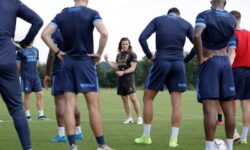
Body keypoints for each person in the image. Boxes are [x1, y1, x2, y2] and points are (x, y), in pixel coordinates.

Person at [41, 0, 113, 149]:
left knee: (69, 105)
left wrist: (57, 52)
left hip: (67, 62)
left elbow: (44, 35)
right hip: (85, 62)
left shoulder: (61, 15)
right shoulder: (92, 13)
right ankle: (101, 145)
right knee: (93, 106)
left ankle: (72, 146)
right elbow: (104, 33)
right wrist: (99, 54)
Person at [134, 7, 194, 148]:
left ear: (168, 14)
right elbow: (198, 44)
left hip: (161, 62)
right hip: (178, 63)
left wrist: (149, 55)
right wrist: (185, 60)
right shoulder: (185, 23)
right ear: (178, 15)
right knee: (177, 103)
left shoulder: (158, 19)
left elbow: (142, 38)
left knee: (148, 98)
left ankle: (146, 137)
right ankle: (173, 140)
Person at [0, 0, 43, 149]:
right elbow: (38, 21)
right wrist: (24, 43)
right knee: (17, 109)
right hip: (6, 59)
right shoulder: (13, 2)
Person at [193, 0, 236, 150]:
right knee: (229, 109)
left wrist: (200, 58)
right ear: (225, 2)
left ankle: (209, 148)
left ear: (211, 1)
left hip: (210, 63)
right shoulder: (231, 18)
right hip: (225, 63)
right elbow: (230, 45)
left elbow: (197, 35)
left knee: (209, 107)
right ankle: (230, 147)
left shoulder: (204, 15)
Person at [43, 29, 83, 142]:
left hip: (60, 69)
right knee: (73, 101)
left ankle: (61, 134)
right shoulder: (76, 32)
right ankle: (78, 132)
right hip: (75, 70)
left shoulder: (57, 32)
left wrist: (47, 73)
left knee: (60, 101)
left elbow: (52, 52)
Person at [104, 37, 143, 125]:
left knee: (133, 98)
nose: (124, 45)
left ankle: (139, 118)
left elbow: (133, 68)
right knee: (124, 99)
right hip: (121, 79)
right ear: (120, 45)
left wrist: (123, 72)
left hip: (129, 78)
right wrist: (107, 61)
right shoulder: (119, 55)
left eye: (126, 44)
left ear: (129, 45)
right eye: (123, 44)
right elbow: (116, 66)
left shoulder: (132, 54)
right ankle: (129, 118)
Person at [228, 10, 250, 145]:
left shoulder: (232, 35)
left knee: (230, 102)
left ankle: (235, 133)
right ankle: (244, 137)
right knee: (246, 105)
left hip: (235, 72)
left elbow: (232, 53)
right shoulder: (249, 34)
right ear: (240, 19)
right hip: (249, 72)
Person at [16, 43, 47, 120]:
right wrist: (20, 74)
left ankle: (41, 115)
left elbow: (36, 62)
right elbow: (18, 65)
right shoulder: (20, 51)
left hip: (35, 76)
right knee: (27, 95)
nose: (32, 40)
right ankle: (27, 115)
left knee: (40, 94)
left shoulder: (36, 50)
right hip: (26, 76)